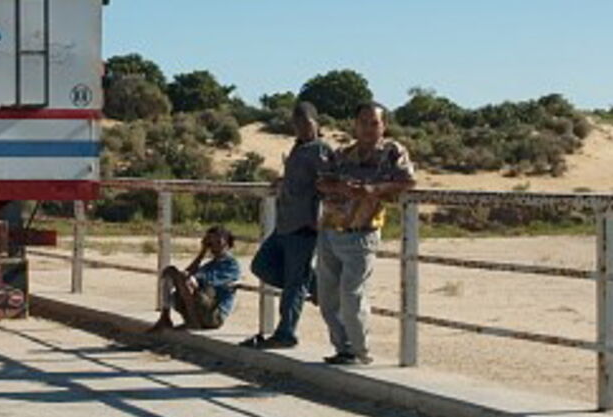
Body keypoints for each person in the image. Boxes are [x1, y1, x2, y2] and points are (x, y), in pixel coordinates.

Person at [315, 102, 416, 366]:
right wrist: (341, 186)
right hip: (330, 229)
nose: (368, 128)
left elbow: (407, 181)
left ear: (384, 126)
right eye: (363, 122)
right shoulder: (342, 154)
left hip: (362, 231)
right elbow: (322, 181)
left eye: (374, 123)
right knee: (327, 298)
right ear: (355, 125)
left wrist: (374, 190)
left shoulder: (392, 152)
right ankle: (344, 348)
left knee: (352, 294)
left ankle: (360, 350)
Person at [242, 101, 332, 349]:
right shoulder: (298, 148)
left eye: (307, 124)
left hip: (304, 225)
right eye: (298, 124)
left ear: (316, 124)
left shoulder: (320, 150)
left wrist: (320, 212)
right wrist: (284, 181)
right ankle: (315, 286)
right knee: (262, 265)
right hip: (285, 223)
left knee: (293, 282)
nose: (303, 129)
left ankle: (286, 332)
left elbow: (329, 183)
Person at [149, 226, 242, 332]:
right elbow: (187, 273)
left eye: (218, 241)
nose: (213, 245)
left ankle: (193, 322)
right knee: (170, 271)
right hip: (201, 308)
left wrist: (188, 279)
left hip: (215, 314)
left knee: (186, 280)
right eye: (210, 242)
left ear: (226, 243)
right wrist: (202, 253)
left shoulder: (231, 265)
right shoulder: (210, 264)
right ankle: (165, 317)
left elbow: (207, 282)